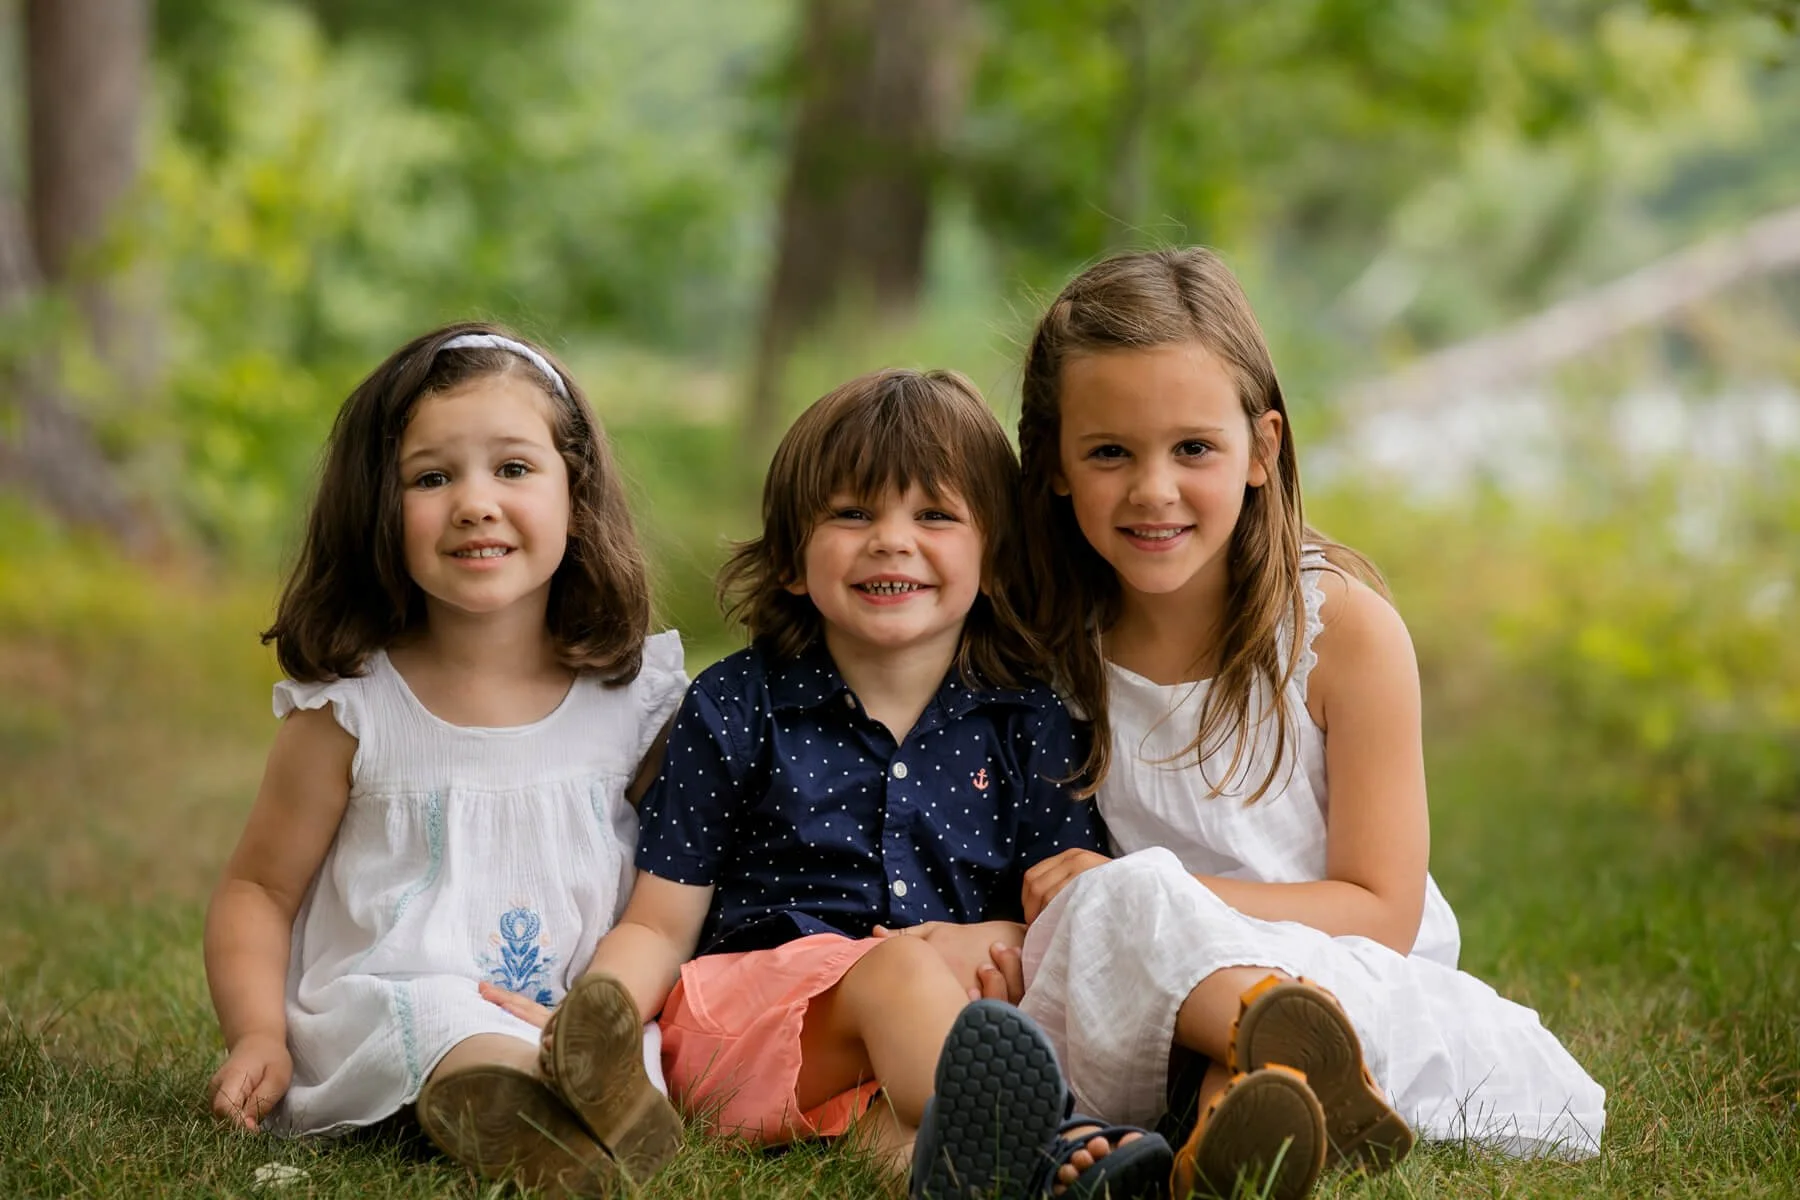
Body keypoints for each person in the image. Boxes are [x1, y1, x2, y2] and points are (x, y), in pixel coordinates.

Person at [977, 247, 1606, 1199]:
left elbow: (1382, 909)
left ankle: (1280, 1057)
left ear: (1262, 449)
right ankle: (1241, 1121)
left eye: (1194, 448)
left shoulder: (1340, 632)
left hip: (1347, 979)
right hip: (1150, 993)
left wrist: (1163, 893)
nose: (1154, 490)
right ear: (1056, 465)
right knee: (1107, 924)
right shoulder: (1053, 639)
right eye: (1110, 452)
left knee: (1121, 903)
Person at [483, 367, 1173, 1199]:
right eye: (852, 513)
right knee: (899, 975)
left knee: (912, 1141)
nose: (890, 540)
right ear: (791, 561)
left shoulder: (1029, 720)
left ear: (994, 560)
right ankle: (1053, 1135)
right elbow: (661, 925)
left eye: (935, 515)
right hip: (752, 1025)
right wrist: (592, 1022)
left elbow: (1064, 910)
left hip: (926, 1048)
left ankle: (1024, 1178)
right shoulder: (737, 706)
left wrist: (974, 947)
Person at [203, 322, 689, 1197]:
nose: (474, 503)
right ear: (378, 510)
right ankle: (529, 1116)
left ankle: (581, 1106)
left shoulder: (635, 697)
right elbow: (258, 891)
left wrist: (601, 1016)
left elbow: (669, 895)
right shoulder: (355, 708)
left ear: (575, 491)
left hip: (574, 1012)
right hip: (399, 1002)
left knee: (616, 1048)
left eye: (513, 468)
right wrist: (257, 1034)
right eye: (432, 477)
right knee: (443, 1020)